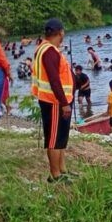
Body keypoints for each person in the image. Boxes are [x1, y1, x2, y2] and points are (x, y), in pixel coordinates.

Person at [32, 19, 74, 182]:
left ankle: (62, 170)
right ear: (60, 32)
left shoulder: (45, 48)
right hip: (54, 101)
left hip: (55, 99)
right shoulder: (49, 51)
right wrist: (64, 103)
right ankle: (55, 174)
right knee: (54, 139)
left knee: (61, 137)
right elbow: (54, 80)